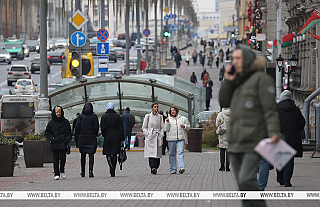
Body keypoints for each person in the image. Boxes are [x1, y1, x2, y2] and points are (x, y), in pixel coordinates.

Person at [219, 45, 280, 207]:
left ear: (247, 59)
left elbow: (270, 109)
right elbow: (224, 102)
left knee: (247, 179)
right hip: (235, 140)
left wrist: (274, 132)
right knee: (242, 185)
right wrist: (228, 81)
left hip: (254, 140)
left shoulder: (261, 79)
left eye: (238, 58)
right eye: (233, 58)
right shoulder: (236, 80)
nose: (235, 62)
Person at [277, 90, 305, 187]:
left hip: (280, 136)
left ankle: (280, 178)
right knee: (289, 159)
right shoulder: (296, 109)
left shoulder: (277, 109)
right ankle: (287, 180)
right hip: (293, 137)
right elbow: (302, 122)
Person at [45, 106, 71, 180]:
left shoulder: (65, 122)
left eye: (59, 112)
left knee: (63, 158)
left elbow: (69, 132)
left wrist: (67, 139)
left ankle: (62, 170)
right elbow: (47, 132)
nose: (58, 114)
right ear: (54, 113)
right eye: (57, 112)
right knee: (55, 159)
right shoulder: (51, 123)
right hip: (55, 143)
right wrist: (51, 139)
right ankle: (57, 173)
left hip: (63, 142)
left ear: (61, 112)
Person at [100, 102, 124, 177]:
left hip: (108, 136)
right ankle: (113, 167)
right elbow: (121, 128)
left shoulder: (104, 116)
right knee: (115, 153)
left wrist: (105, 134)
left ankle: (110, 164)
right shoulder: (117, 116)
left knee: (108, 152)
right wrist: (122, 138)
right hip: (116, 136)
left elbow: (102, 128)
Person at [164, 106, 190, 174]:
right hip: (171, 139)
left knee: (180, 152)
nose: (172, 111)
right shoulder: (168, 119)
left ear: (177, 111)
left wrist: (184, 126)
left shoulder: (183, 118)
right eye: (171, 110)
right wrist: (167, 123)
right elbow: (166, 129)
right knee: (172, 154)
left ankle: (181, 167)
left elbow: (188, 127)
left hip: (180, 138)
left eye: (174, 110)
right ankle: (173, 169)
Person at [76, 102, 99, 178]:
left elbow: (77, 128)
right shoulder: (94, 116)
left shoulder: (81, 116)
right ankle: (90, 171)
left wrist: (79, 136)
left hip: (82, 138)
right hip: (91, 138)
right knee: (91, 155)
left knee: (83, 155)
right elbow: (96, 127)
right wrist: (94, 134)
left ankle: (83, 172)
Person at [142, 102, 164, 174]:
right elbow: (144, 127)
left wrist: (161, 135)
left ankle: (156, 167)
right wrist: (147, 134)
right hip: (151, 136)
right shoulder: (147, 116)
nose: (156, 108)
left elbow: (162, 127)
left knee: (157, 153)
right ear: (152, 108)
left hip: (157, 136)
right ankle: (152, 167)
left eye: (157, 107)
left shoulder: (160, 117)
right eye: (155, 107)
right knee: (151, 153)